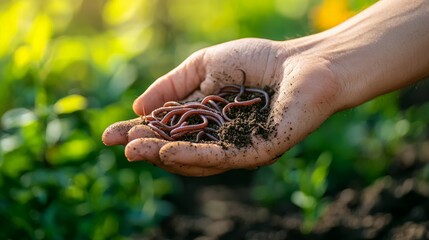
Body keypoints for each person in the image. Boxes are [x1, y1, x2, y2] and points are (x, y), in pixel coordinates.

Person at [102, 0, 429, 176]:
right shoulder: (214, 107)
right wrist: (318, 57)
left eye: (167, 117)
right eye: (167, 118)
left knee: (211, 115)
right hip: (234, 107)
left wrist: (316, 60)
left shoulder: (235, 100)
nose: (170, 116)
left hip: (238, 104)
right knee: (208, 117)